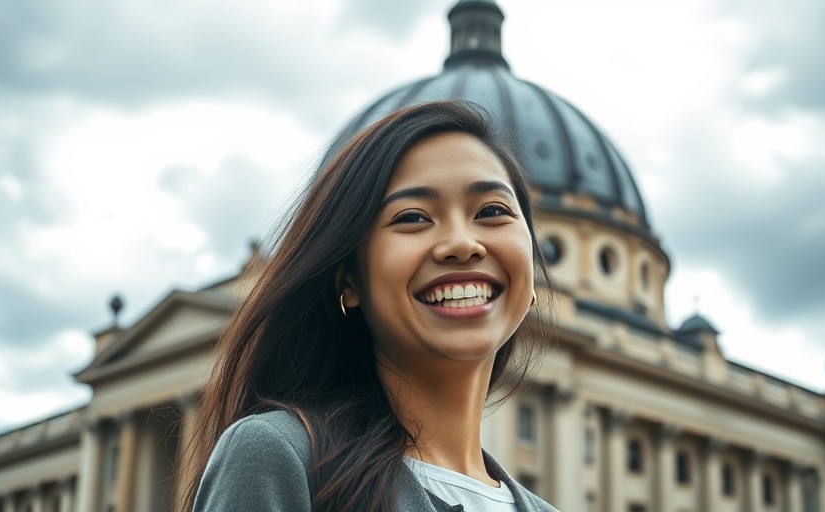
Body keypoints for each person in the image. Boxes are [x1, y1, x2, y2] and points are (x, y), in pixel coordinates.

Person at [180, 100, 558, 511]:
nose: (463, 244)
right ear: (349, 281)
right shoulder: (283, 457)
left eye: (491, 211)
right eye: (413, 217)